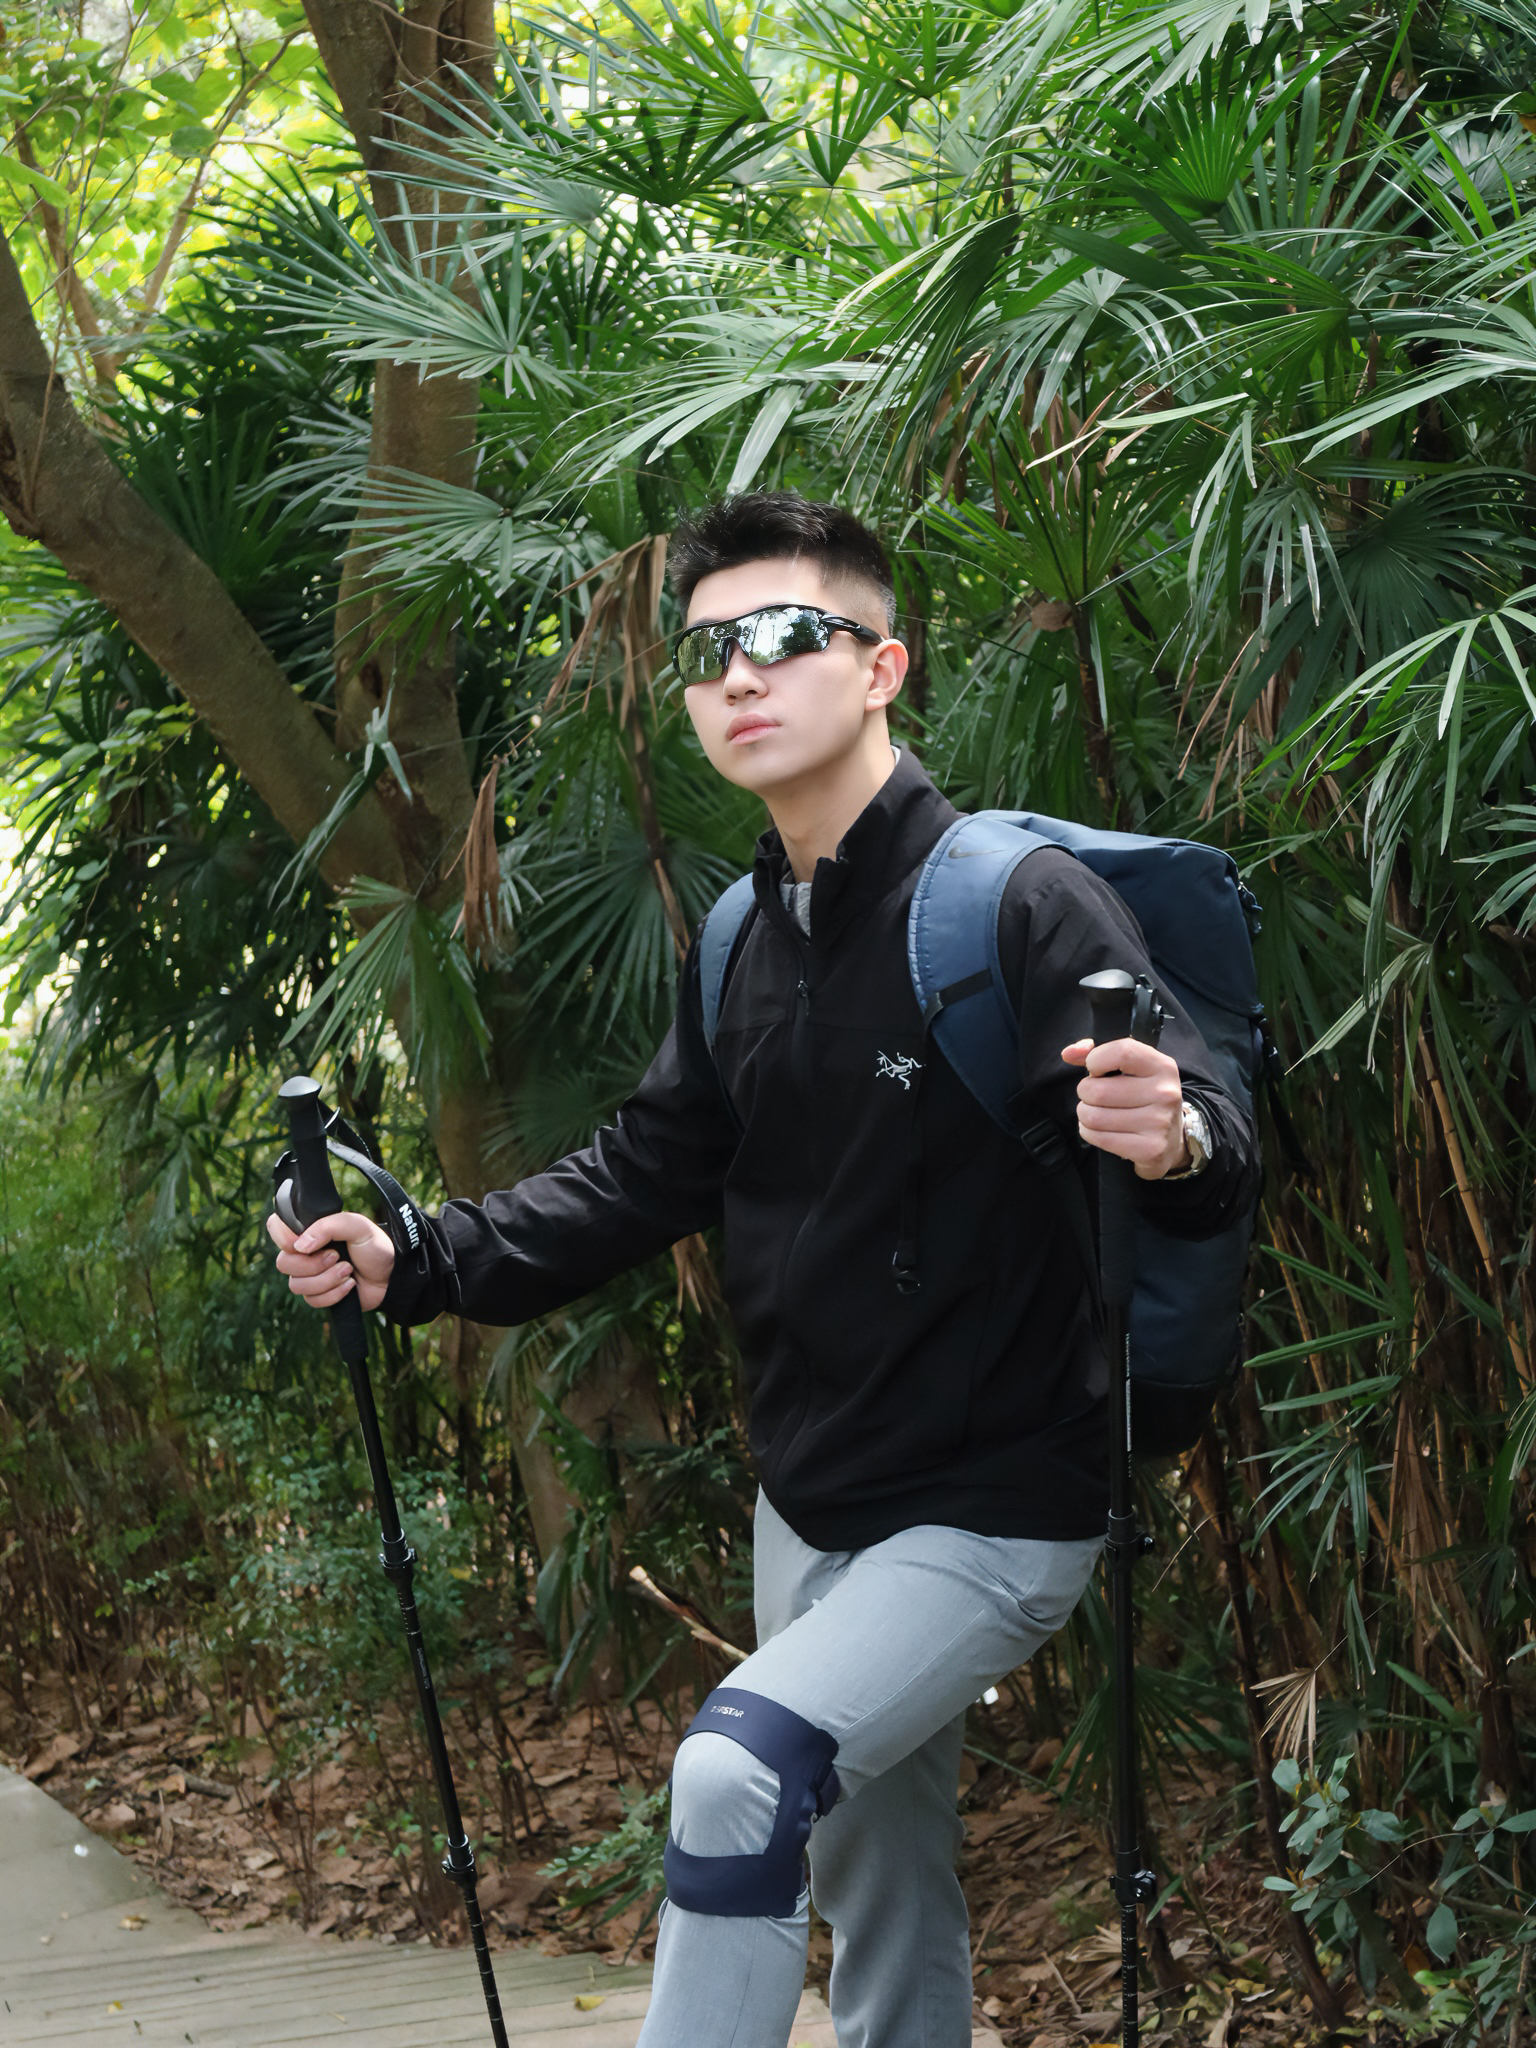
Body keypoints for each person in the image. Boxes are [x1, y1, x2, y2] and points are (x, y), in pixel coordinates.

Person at [269, 492, 1258, 2048]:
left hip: (995, 1504)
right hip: (809, 1500)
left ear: (883, 667)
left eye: (788, 635)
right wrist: (421, 1259)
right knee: (880, 1882)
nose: (741, 672)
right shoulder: (745, 931)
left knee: (739, 1772)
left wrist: (1172, 1135)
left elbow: (1203, 1132)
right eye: (708, 649)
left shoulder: (1011, 902)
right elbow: (645, 1171)